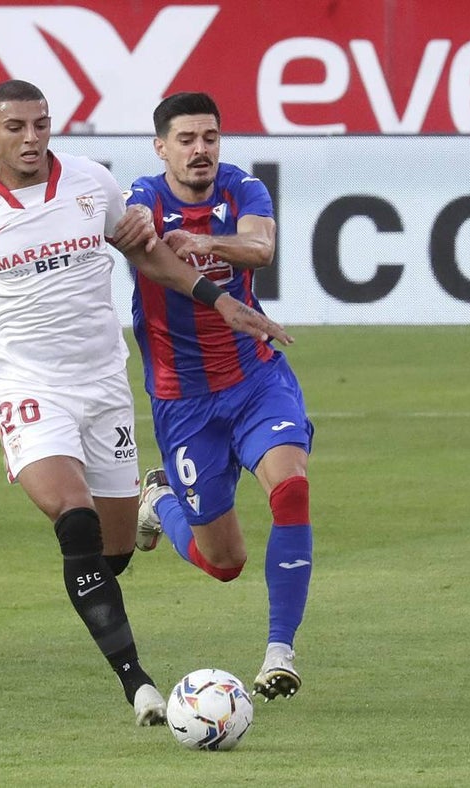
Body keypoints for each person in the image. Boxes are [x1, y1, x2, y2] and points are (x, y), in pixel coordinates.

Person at [0, 80, 290, 725]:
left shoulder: (93, 185)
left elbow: (150, 258)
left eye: (41, 124)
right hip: (26, 383)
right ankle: (138, 685)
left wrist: (222, 302)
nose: (31, 138)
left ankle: (149, 509)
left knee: (113, 552)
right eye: (15, 127)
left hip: (102, 384)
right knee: (75, 521)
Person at [127, 91, 315, 701]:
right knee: (224, 562)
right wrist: (170, 242)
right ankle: (159, 501)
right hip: (183, 401)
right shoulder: (142, 197)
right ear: (161, 148)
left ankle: (280, 652)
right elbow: (144, 246)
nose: (200, 149)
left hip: (256, 378)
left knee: (291, 488)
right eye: (186, 140)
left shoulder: (242, 188)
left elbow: (261, 247)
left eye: (209, 137)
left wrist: (206, 243)